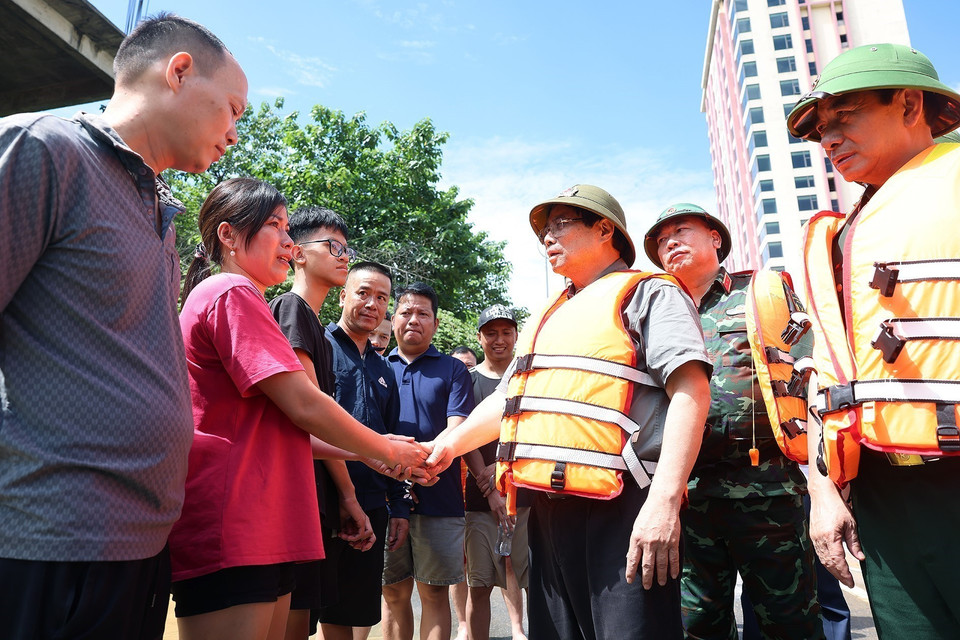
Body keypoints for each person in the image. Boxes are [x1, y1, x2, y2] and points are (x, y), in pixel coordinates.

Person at [0, 13, 246, 639]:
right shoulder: (45, 150)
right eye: (233, 110)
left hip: (140, 545)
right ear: (180, 70)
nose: (236, 134)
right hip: (52, 541)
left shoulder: (157, 205)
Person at [423, 184, 712, 640]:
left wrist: (665, 502)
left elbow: (691, 392)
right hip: (550, 509)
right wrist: (445, 448)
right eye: (544, 229)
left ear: (604, 230)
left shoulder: (649, 293)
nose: (547, 238)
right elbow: (509, 399)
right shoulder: (547, 314)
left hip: (626, 508)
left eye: (561, 224)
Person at [170, 177, 427, 640]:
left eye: (289, 229)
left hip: (264, 522)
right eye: (275, 226)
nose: (289, 242)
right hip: (237, 521)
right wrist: (388, 453)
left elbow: (290, 429)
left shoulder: (249, 300)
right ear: (228, 235)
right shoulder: (232, 291)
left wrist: (373, 449)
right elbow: (305, 404)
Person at [785, 43, 960, 637]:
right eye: (820, 131)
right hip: (885, 492)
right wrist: (823, 490)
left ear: (909, 103)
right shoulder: (844, 238)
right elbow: (825, 373)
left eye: (844, 118)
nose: (828, 140)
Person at [644, 204, 822, 639]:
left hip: (768, 491)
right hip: (691, 499)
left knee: (790, 623)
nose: (670, 243)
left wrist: (824, 481)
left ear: (715, 238)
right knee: (699, 626)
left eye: (681, 231)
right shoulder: (657, 310)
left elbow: (810, 375)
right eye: (661, 240)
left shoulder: (760, 294)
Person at [267, 206, 374, 640]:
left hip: (314, 495)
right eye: (332, 246)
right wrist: (375, 457)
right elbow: (311, 416)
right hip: (294, 496)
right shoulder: (291, 308)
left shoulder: (315, 326)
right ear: (298, 253)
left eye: (346, 248)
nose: (343, 256)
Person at [317, 261, 412, 640]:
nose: (373, 304)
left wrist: (399, 506)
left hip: (373, 503)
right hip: (323, 496)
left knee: (356, 610)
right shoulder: (317, 348)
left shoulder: (384, 369)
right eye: (363, 293)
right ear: (342, 295)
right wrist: (344, 494)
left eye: (382, 298)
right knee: (310, 609)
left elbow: (389, 440)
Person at [382, 282, 476, 640]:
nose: (414, 320)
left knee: (434, 590)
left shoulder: (453, 370)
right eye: (406, 312)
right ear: (393, 320)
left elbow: (457, 428)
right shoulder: (375, 367)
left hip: (440, 495)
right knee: (392, 592)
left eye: (423, 313)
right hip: (386, 498)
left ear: (435, 324)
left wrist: (415, 463)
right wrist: (400, 469)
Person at [462, 305, 529, 640]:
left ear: (516, 335)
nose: (499, 340)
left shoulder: (530, 378)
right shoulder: (467, 381)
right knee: (480, 584)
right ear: (479, 337)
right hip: (480, 500)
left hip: (527, 497)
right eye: (491, 332)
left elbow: (538, 429)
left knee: (535, 580)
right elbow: (464, 434)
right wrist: (489, 489)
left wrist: (501, 466)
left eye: (506, 332)